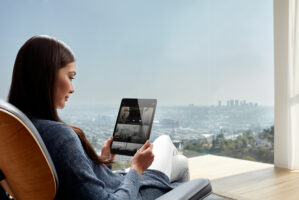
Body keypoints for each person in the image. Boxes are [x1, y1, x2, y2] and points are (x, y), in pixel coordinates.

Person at [7, 35, 189, 200]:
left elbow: (78, 186)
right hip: (132, 194)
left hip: (114, 185)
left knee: (181, 162)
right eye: (70, 77)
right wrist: (137, 168)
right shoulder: (59, 136)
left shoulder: (19, 132)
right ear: (46, 77)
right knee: (165, 142)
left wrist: (104, 161)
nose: (72, 88)